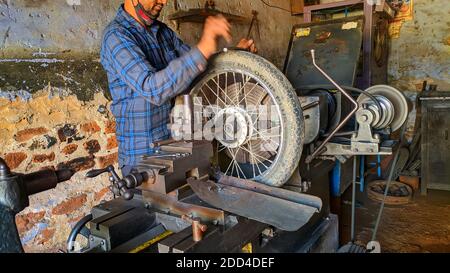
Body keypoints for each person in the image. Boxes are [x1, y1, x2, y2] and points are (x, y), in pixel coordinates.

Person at [100, 0, 257, 176]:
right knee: (149, 203)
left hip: (176, 149)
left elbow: (197, 67)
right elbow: (152, 89)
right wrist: (204, 47)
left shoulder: (163, 32)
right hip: (142, 160)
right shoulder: (116, 36)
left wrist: (236, 55)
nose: (163, 1)